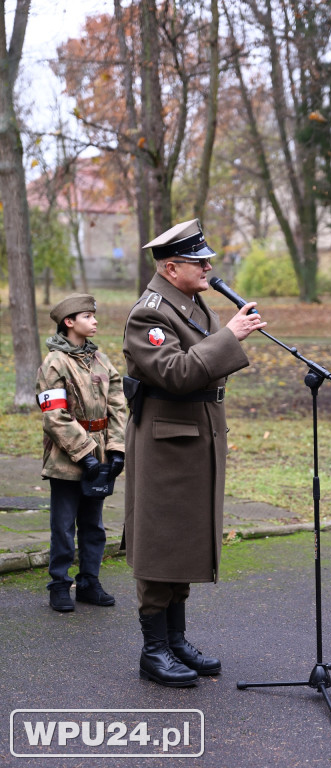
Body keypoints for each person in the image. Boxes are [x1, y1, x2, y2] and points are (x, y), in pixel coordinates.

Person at [123, 219, 266, 687]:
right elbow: (178, 373)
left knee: (185, 536)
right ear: (170, 267)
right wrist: (231, 336)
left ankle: (177, 640)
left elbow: (203, 365)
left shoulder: (191, 302)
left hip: (196, 436)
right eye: (198, 261)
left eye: (207, 259)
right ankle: (154, 649)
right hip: (166, 442)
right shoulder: (149, 315)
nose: (208, 266)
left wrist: (225, 337)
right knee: (160, 538)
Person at [36, 294, 126, 612]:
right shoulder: (54, 364)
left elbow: (117, 403)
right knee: (63, 525)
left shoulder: (101, 361)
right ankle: (59, 585)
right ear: (69, 322)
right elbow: (54, 415)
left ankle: (89, 581)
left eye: (94, 315)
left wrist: (115, 449)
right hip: (65, 457)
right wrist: (84, 453)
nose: (95, 321)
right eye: (88, 316)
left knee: (94, 524)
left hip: (99, 454)